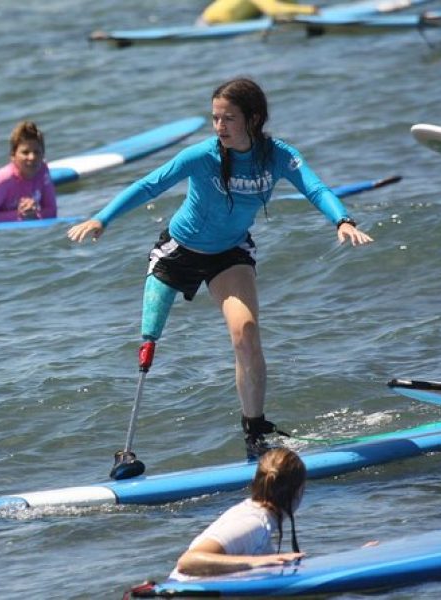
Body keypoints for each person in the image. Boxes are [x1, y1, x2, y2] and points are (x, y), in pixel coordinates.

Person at [67, 78, 373, 459]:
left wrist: (342, 220)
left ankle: (255, 430)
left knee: (246, 332)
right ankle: (126, 450)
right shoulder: (202, 156)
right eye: (215, 118)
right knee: (149, 342)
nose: (220, 126)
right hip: (178, 250)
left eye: (228, 118)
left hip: (229, 253)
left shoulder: (278, 156)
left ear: (253, 118)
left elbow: (315, 188)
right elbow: (150, 185)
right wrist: (102, 219)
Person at [174, 448, 306, 578]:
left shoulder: (255, 515)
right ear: (298, 492)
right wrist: (257, 562)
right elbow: (187, 562)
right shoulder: (254, 524)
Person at [200, 0, 318, 25]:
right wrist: (309, 10)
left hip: (227, 20)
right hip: (210, 23)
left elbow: (289, 5)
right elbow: (274, 10)